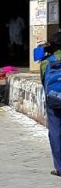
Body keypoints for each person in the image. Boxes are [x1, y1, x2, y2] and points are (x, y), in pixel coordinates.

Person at [38, 31, 61, 178]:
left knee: (55, 133)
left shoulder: (46, 61)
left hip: (53, 101)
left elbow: (43, 82)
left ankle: (59, 168)